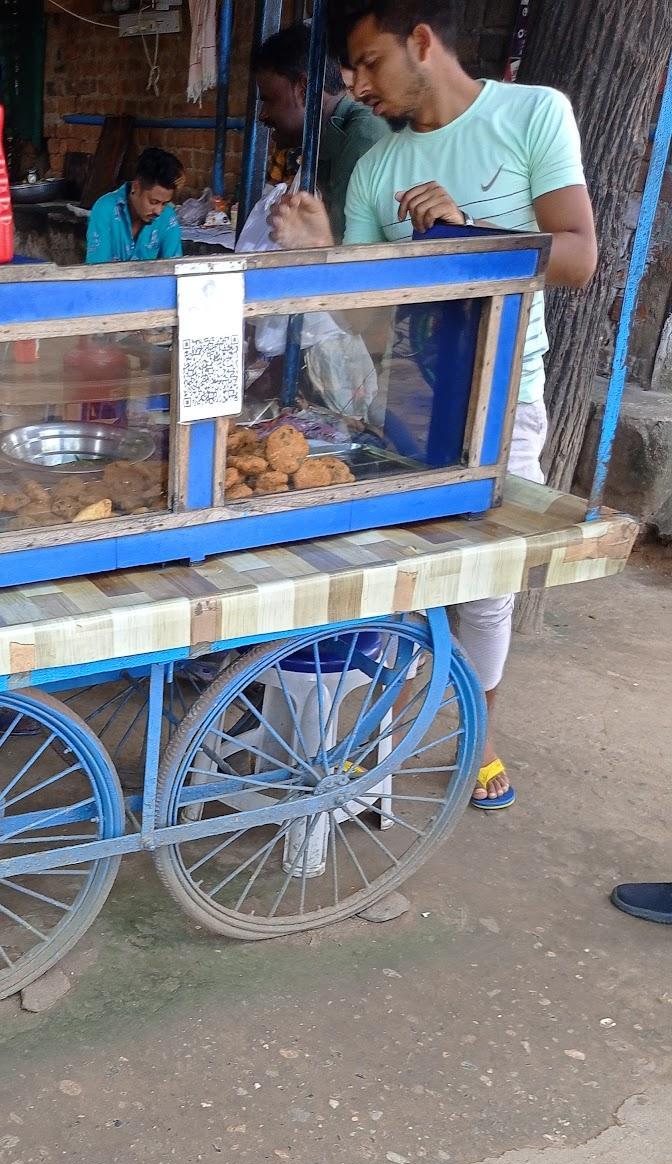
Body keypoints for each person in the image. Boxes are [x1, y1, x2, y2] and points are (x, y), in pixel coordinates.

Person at [273, 0, 597, 811]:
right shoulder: (381, 166)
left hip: (502, 399)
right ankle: (360, 737)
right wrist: (324, 259)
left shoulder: (533, 114)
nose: (357, 83)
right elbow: (369, 309)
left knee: (486, 589)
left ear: (422, 41)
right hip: (403, 409)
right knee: (386, 575)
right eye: (349, 68)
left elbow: (578, 255)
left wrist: (465, 235)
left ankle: (476, 739)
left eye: (369, 60)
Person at [251, 23, 388, 242]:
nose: (263, 115)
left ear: (303, 90)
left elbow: (351, 257)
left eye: (268, 100)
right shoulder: (325, 142)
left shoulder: (361, 138)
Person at [85, 147, 185, 265]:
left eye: (165, 203)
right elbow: (97, 271)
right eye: (154, 202)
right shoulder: (105, 210)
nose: (159, 211)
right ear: (136, 187)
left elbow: (174, 268)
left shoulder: (168, 217)